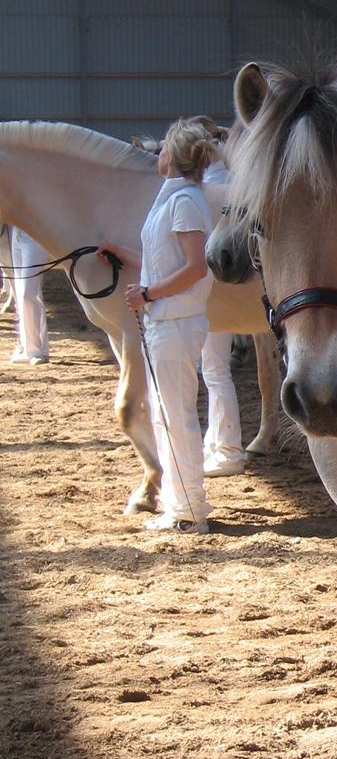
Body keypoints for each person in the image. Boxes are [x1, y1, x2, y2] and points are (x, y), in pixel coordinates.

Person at [100, 118, 217, 534]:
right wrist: (126, 255)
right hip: (168, 320)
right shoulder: (175, 200)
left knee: (175, 413)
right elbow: (167, 260)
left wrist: (148, 295)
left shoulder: (183, 201)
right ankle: (180, 500)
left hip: (175, 320)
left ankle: (189, 507)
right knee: (168, 413)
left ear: (172, 156)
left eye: (163, 147)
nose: (158, 153)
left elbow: (195, 267)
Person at [194, 121, 246, 479]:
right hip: (218, 290)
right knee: (214, 370)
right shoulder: (223, 182)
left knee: (215, 370)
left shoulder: (210, 190)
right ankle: (218, 442)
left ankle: (227, 448)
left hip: (216, 291)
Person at [9, 227, 51, 365]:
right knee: (21, 291)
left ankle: (38, 351)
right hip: (16, 232)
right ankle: (27, 346)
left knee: (29, 292)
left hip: (36, 234)